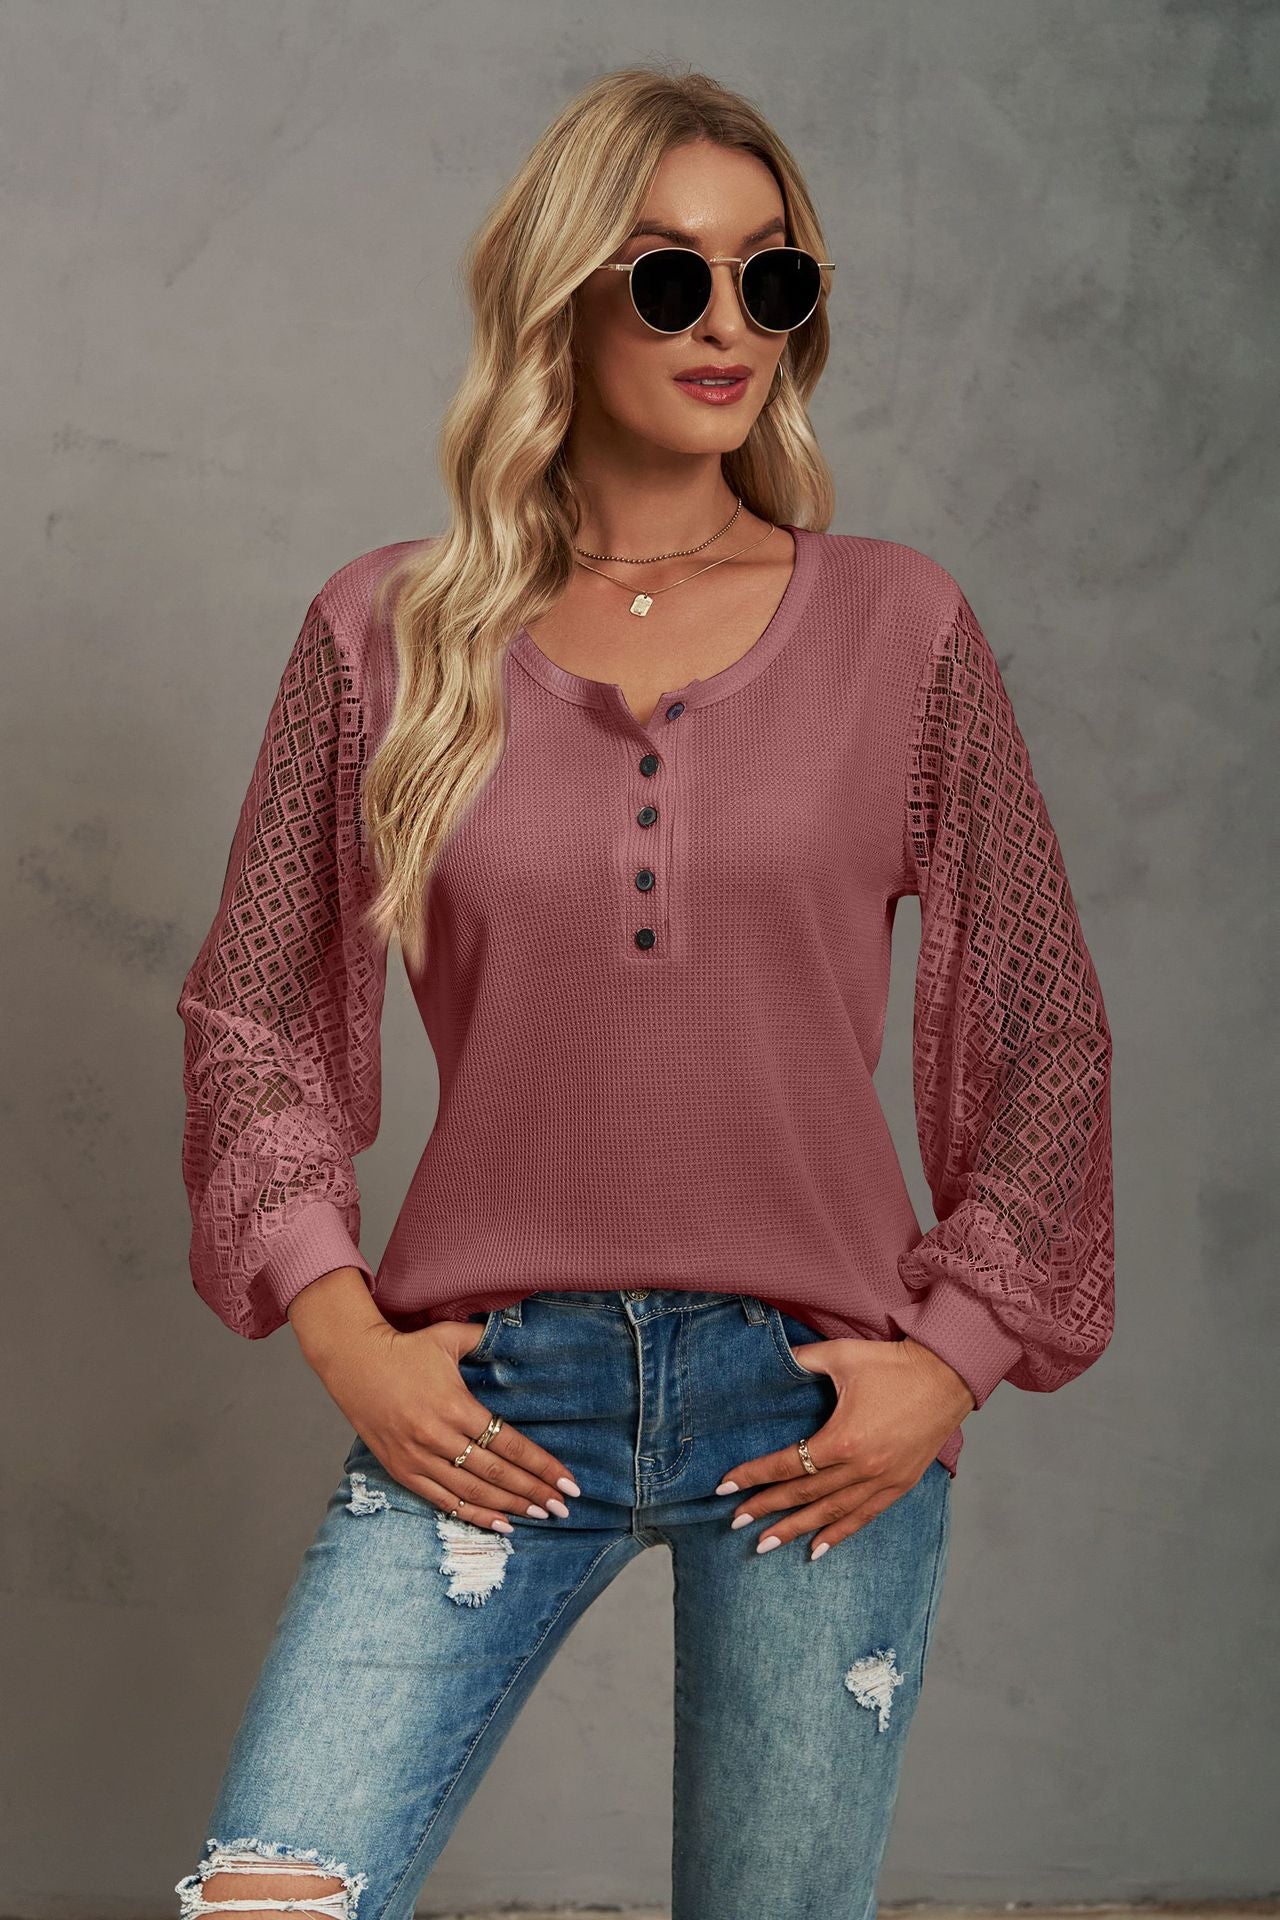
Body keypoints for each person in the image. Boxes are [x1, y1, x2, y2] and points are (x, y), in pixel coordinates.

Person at [173, 64, 1114, 1920]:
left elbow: (1046, 1029)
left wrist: (952, 1362)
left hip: (813, 1408)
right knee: (267, 1899)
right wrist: (342, 1328)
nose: (729, 325)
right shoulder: (387, 633)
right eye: (672, 276)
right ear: (562, 295)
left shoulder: (901, 626)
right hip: (490, 1388)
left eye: (774, 278)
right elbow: (251, 1013)